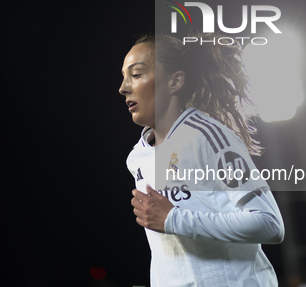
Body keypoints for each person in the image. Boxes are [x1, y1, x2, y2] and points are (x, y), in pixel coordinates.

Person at [119, 33, 285, 286]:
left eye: (136, 74)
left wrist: (174, 219)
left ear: (175, 82)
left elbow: (269, 224)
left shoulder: (209, 137)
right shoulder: (137, 157)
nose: (123, 87)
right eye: (124, 77)